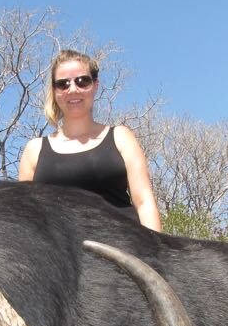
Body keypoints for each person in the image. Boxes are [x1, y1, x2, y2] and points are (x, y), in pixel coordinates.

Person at [18, 49, 162, 231]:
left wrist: (154, 255)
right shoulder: (34, 150)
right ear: (54, 91)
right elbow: (26, 219)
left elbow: (144, 202)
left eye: (82, 81)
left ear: (95, 85)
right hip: (59, 256)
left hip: (124, 251)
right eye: (63, 84)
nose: (73, 89)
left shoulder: (121, 137)